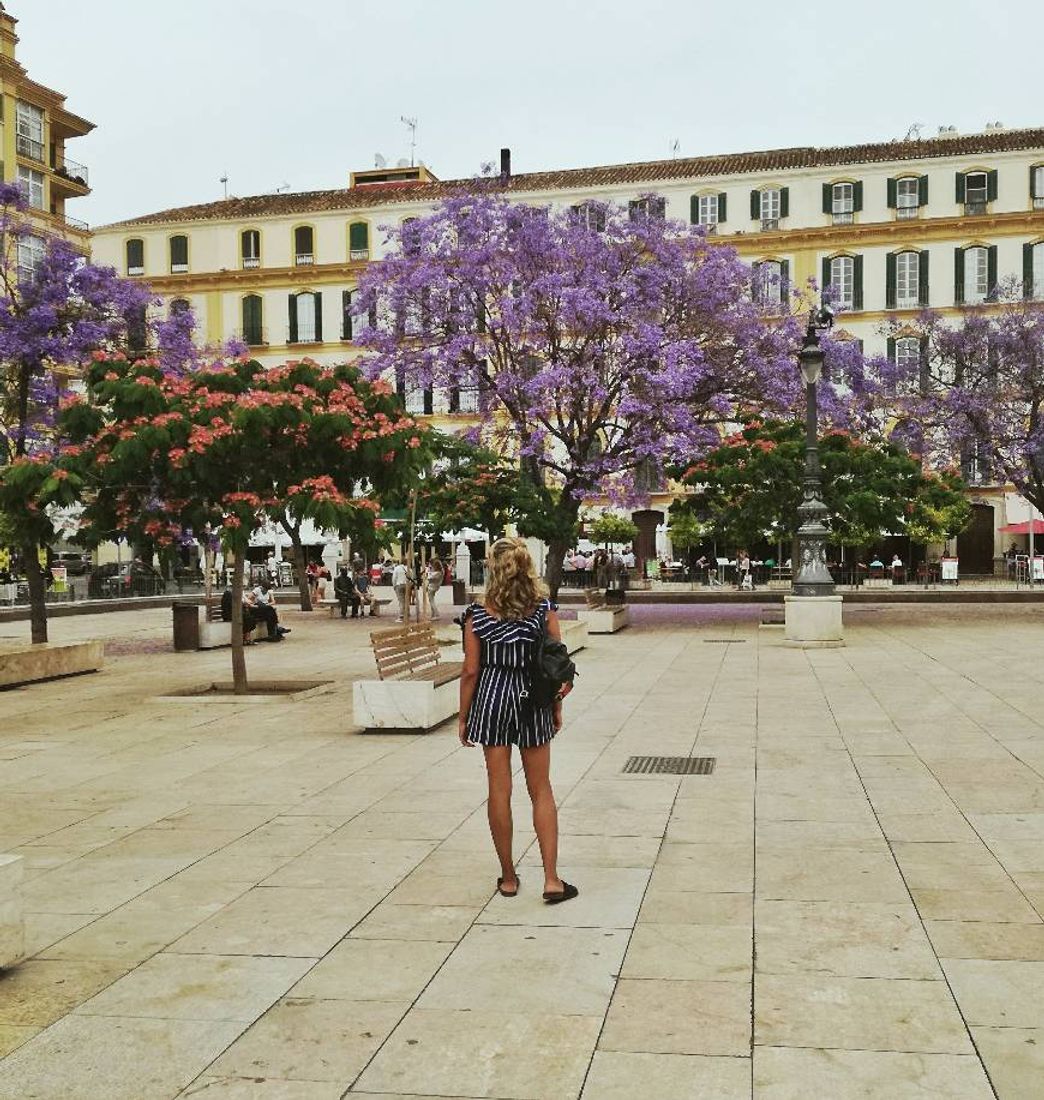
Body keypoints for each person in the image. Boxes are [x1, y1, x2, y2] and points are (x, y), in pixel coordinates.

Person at [458, 537, 577, 905]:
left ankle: (508, 878)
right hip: (531, 698)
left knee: (499, 789)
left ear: (492, 570)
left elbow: (470, 671)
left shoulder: (477, 614)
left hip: (492, 698)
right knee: (541, 788)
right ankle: (552, 879)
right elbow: (557, 662)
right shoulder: (544, 609)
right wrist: (556, 705)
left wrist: (464, 718)